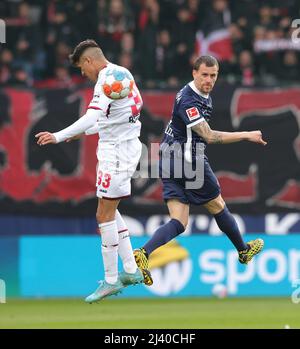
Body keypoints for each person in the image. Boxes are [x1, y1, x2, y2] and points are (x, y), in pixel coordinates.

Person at [134, 55, 266, 286]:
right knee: (218, 205)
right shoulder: (189, 100)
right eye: (204, 74)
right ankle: (243, 250)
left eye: (213, 75)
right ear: (194, 73)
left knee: (179, 221)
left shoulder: (200, 94)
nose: (209, 80)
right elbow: (209, 136)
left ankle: (143, 253)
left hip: (167, 158)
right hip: (187, 161)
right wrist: (246, 135)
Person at [35, 39, 150, 303]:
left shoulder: (107, 80)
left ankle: (110, 280)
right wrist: (84, 133)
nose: (82, 74)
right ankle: (131, 270)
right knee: (111, 210)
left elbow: (92, 115)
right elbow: (119, 117)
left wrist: (58, 136)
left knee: (103, 214)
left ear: (88, 61)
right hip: (122, 147)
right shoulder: (123, 74)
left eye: (81, 69)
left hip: (118, 153)